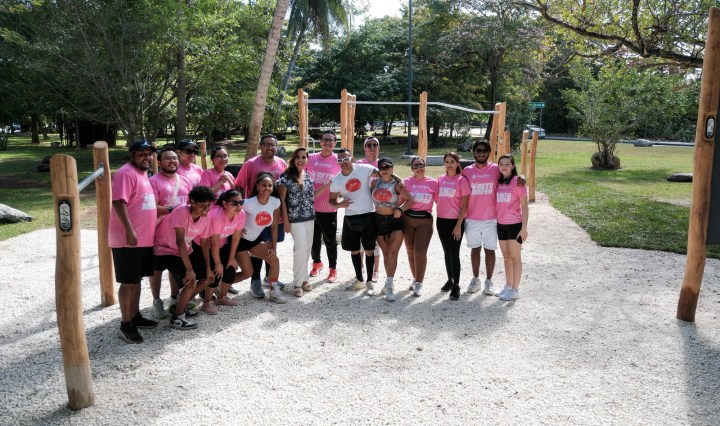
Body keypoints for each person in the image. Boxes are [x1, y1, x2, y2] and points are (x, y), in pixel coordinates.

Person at [110, 140, 159, 344]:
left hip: (143, 238)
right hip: (128, 239)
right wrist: (129, 230)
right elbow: (118, 202)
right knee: (129, 282)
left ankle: (135, 315)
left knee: (137, 279)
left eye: (149, 154)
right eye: (141, 154)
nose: (146, 157)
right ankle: (125, 324)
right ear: (132, 155)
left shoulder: (143, 174)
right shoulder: (126, 173)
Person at [153, 186, 216, 330]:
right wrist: (189, 270)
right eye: (202, 205)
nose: (206, 209)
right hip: (165, 250)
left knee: (208, 278)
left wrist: (208, 268)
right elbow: (180, 241)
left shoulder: (206, 217)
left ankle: (178, 306)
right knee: (190, 282)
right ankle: (177, 318)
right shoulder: (181, 211)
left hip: (182, 251)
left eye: (208, 205)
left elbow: (204, 243)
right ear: (192, 202)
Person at [234, 134, 288, 294]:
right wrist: (240, 217)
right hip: (255, 215)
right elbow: (239, 186)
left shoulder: (282, 164)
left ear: (276, 147)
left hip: (274, 214)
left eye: (273, 144)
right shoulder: (251, 164)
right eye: (266, 144)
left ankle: (269, 277)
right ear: (260, 146)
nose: (270, 147)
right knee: (256, 249)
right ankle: (255, 281)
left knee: (271, 246)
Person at [278, 148, 330, 297]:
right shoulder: (285, 178)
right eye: (298, 157)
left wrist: (327, 186)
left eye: (303, 157)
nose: (300, 160)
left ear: (307, 160)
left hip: (309, 217)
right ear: (293, 159)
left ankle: (304, 278)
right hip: (295, 219)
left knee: (307, 249)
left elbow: (310, 196)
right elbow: (282, 201)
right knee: (300, 249)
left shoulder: (308, 176)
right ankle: (297, 284)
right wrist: (286, 221)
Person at [148, 146, 193, 318]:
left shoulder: (184, 181)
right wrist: (171, 210)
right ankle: (157, 301)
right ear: (159, 162)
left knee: (175, 268)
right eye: (167, 158)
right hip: (158, 234)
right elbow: (150, 207)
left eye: (174, 158)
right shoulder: (153, 182)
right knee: (156, 269)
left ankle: (175, 299)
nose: (172, 161)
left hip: (180, 234)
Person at [239, 172, 285, 303]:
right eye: (264, 185)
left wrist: (274, 248)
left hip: (254, 241)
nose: (267, 188)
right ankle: (219, 288)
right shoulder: (248, 202)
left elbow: (274, 226)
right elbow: (229, 207)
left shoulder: (275, 202)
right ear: (257, 186)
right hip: (239, 241)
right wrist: (236, 226)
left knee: (274, 261)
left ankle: (273, 291)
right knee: (245, 272)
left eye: (270, 185)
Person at [371, 157, 412, 302]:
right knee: (386, 253)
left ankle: (389, 285)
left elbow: (410, 200)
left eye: (387, 167)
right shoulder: (374, 183)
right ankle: (388, 282)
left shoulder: (397, 185)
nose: (384, 170)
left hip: (394, 221)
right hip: (378, 220)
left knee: (393, 253)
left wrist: (400, 210)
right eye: (381, 168)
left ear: (392, 169)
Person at [462, 140, 500, 295]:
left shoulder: (496, 169)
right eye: (478, 150)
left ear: (489, 152)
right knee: (475, 249)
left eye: (485, 150)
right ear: (474, 152)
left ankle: (489, 281)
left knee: (490, 250)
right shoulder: (467, 171)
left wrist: (521, 177)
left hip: (491, 217)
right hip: (472, 217)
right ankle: (476, 279)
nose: (482, 153)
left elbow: (511, 175)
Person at [205, 190, 251, 309]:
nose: (239, 206)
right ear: (225, 204)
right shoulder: (216, 216)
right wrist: (218, 263)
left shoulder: (241, 213)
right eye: (234, 203)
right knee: (217, 271)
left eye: (241, 202)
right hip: (206, 246)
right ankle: (207, 302)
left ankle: (221, 297)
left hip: (222, 244)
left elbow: (236, 238)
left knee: (231, 268)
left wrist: (231, 258)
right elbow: (213, 242)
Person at [307, 130, 341, 283]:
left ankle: (333, 268)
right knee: (313, 239)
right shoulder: (311, 158)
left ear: (335, 142)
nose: (328, 142)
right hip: (311, 206)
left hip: (329, 207)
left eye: (331, 140)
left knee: (330, 240)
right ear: (320, 142)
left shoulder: (339, 160)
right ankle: (316, 263)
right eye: (325, 140)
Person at [435, 152, 470, 301]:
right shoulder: (440, 179)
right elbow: (437, 198)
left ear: (457, 164)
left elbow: (465, 205)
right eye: (447, 162)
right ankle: (450, 280)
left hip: (456, 222)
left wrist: (458, 225)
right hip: (441, 221)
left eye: (452, 162)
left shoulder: (462, 180)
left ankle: (456, 286)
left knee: (454, 253)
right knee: (446, 252)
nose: (449, 164)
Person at [402, 156, 438, 297]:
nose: (419, 168)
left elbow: (441, 201)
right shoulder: (406, 182)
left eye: (421, 165)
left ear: (425, 166)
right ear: (412, 169)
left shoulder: (433, 183)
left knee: (420, 252)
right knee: (410, 250)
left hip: (424, 220)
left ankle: (419, 283)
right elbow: (401, 201)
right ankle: (415, 278)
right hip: (408, 220)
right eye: (416, 166)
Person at [495, 154, 528, 301]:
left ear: (513, 166)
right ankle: (508, 286)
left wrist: (524, 228)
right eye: (501, 164)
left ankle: (515, 290)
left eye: (507, 164)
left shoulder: (518, 182)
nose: (504, 167)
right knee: (506, 257)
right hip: (501, 224)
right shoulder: (499, 182)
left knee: (515, 258)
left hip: (515, 225)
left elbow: (525, 207)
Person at [356, 136, 382, 282]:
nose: (372, 148)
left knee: (375, 242)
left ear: (379, 148)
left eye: (375, 145)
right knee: (360, 241)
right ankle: (360, 267)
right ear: (364, 148)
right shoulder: (359, 164)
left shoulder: (383, 164)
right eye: (369, 145)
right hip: (362, 207)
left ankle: (375, 271)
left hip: (378, 209)